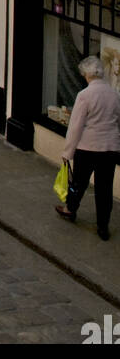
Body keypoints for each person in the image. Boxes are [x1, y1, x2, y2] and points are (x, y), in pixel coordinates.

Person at [55, 55, 120, 240]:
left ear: (87, 75)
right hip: (109, 148)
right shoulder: (115, 94)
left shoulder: (84, 95)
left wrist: (67, 152)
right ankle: (103, 226)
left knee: (79, 183)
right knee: (104, 189)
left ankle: (70, 209)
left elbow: (75, 126)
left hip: (88, 147)